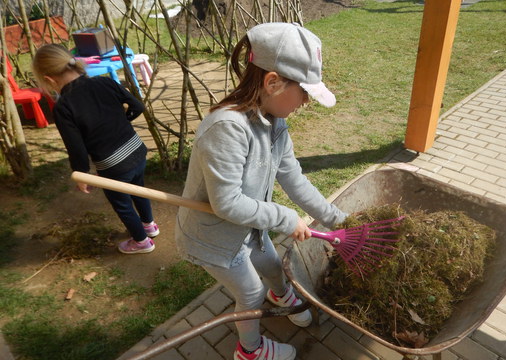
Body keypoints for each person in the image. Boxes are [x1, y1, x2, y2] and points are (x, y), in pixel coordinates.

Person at [175, 22, 347, 360]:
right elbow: (226, 202)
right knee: (251, 292)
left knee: (272, 265)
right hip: (213, 236)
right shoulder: (227, 129)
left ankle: (282, 296)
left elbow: (294, 180)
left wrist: (339, 219)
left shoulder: (276, 125)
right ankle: (249, 350)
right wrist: (284, 217)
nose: (304, 104)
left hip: (248, 228)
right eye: (304, 94)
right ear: (272, 82)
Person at [32, 44, 159, 255]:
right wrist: (122, 121)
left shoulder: (64, 107)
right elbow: (138, 106)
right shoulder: (105, 82)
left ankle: (141, 241)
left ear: (50, 79)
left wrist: (82, 175)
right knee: (139, 189)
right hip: (137, 150)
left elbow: (77, 148)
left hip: (113, 166)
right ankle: (149, 225)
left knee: (122, 204)